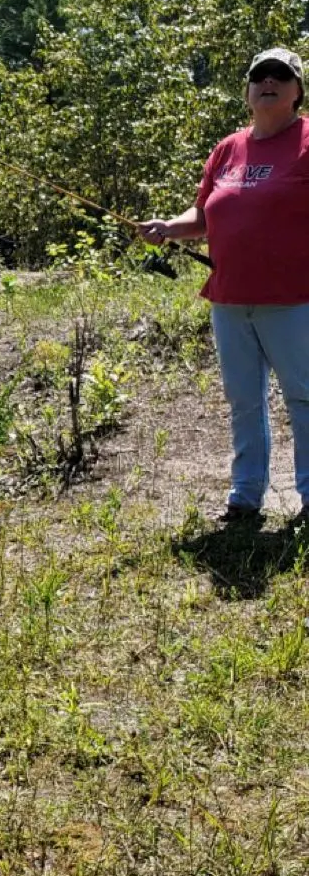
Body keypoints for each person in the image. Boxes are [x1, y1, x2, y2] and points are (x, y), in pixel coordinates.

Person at [141, 45, 309, 528]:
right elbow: (204, 213)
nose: (268, 82)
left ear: (297, 91)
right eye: (260, 76)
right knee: (243, 400)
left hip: (294, 299)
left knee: (304, 396)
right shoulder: (227, 149)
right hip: (230, 298)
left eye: (281, 75)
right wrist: (169, 227)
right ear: (248, 90)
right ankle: (245, 496)